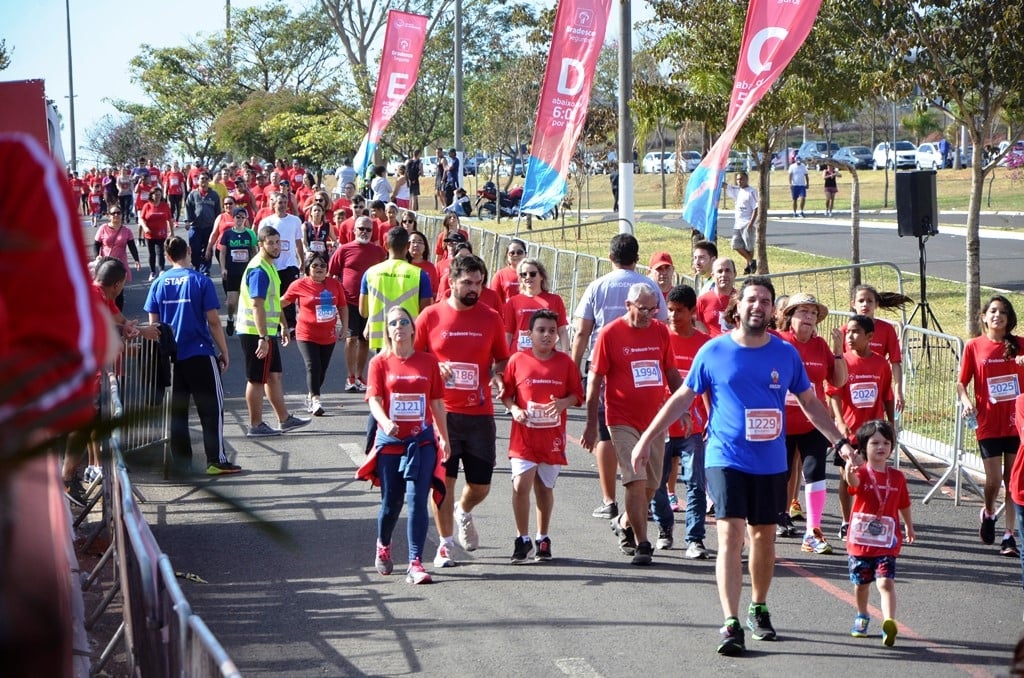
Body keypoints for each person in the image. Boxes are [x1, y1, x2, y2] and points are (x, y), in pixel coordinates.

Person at [631, 276, 855, 656]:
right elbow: (682, 397)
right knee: (731, 535)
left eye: (765, 301)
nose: (758, 306)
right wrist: (647, 438)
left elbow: (811, 402)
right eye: (752, 299)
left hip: (770, 461)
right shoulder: (714, 351)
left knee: (763, 537)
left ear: (772, 311)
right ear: (739, 306)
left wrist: (841, 442)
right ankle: (730, 621)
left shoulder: (785, 356)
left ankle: (759, 606)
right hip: (724, 456)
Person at [414, 254, 510, 568]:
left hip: (479, 413)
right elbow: (412, 360)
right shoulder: (430, 317)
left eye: (479, 283)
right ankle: (445, 544)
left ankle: (464, 511)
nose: (474, 289)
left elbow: (501, 360)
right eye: (467, 282)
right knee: (444, 481)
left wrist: (497, 376)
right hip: (441, 414)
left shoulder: (491, 317)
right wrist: (434, 367)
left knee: (481, 484)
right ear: (452, 281)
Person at [581, 283, 682, 566]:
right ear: (628, 305)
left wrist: (684, 407)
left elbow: (671, 372)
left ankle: (624, 521)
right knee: (635, 481)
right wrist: (591, 423)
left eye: (654, 309)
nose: (650, 314)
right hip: (621, 419)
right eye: (644, 309)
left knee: (651, 485)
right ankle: (643, 543)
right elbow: (595, 379)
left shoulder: (661, 332)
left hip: (654, 421)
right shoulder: (610, 333)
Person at [571, 233, 667, 521]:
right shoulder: (649, 286)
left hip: (603, 362)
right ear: (637, 259)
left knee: (605, 431)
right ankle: (634, 498)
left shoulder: (598, 285)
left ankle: (609, 499)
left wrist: (573, 370)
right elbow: (660, 325)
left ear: (610, 257)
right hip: (641, 364)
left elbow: (582, 331)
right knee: (638, 429)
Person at [361, 306, 450, 584]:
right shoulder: (380, 362)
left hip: (421, 442)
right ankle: (383, 545)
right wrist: (385, 422)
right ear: (387, 331)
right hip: (391, 444)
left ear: (413, 328)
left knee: (417, 502)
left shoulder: (428, 362)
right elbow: (374, 400)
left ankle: (415, 563)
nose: (398, 326)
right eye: (392, 323)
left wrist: (444, 436)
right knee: (391, 504)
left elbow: (436, 402)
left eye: (403, 322)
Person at [144, 236, 239, 475]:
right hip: (199, 353)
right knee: (211, 408)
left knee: (177, 412)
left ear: (167, 256)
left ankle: (182, 464)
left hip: (172, 358)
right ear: (188, 250)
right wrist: (224, 351)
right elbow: (214, 322)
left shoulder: (159, 283)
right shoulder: (200, 281)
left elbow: (153, 326)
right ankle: (215, 460)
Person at [501, 309, 584, 562]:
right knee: (520, 485)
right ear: (529, 334)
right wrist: (514, 409)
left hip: (552, 437)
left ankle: (543, 537)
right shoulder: (517, 360)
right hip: (524, 437)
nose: (547, 336)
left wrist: (562, 404)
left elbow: (577, 396)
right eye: (541, 330)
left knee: (544, 488)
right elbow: (506, 395)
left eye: (551, 331)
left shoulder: (565, 363)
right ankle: (521, 538)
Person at [774, 293, 848, 554]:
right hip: (779, 424)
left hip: (812, 423)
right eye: (803, 312)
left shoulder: (820, 346)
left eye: (813, 313)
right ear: (790, 316)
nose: (808, 317)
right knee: (777, 476)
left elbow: (838, 381)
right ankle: (770, 521)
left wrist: (839, 354)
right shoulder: (777, 342)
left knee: (815, 473)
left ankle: (813, 532)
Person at [957, 295, 1024, 557]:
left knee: (1012, 480)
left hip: (1016, 423)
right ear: (984, 317)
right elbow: (962, 382)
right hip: (988, 421)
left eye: (1003, 312)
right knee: (994, 480)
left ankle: (1008, 536)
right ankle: (987, 511)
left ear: (1009, 319)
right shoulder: (974, 346)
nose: (998, 316)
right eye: (993, 311)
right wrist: (965, 402)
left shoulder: (1020, 345)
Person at [648, 284, 710, 559]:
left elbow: (710, 387)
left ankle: (695, 539)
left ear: (693, 312)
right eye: (669, 310)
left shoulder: (704, 345)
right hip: (661, 426)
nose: (672, 316)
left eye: (679, 311)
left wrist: (710, 419)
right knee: (655, 484)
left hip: (692, 428)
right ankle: (664, 529)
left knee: (695, 483)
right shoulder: (659, 338)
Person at [842, 420, 915, 646]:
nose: (881, 447)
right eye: (874, 443)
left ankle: (889, 622)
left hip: (887, 542)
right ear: (864, 447)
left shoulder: (898, 477)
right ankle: (862, 615)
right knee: (862, 584)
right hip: (861, 543)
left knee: (885, 582)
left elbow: (904, 503)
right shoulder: (862, 473)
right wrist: (848, 468)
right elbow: (852, 483)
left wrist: (909, 526)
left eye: (886, 442)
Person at [236, 225, 311, 437]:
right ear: (260, 245)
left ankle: (284, 419)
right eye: (271, 242)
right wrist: (262, 337)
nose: (276, 246)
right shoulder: (259, 268)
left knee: (274, 375)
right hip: (255, 333)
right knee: (257, 379)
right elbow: (257, 305)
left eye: (278, 242)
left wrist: (284, 326)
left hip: (266, 331)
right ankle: (255, 424)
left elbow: (273, 302)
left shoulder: (270, 266)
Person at [828, 314, 895, 539]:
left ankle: (870, 518)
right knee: (846, 476)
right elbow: (834, 395)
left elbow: (887, 395)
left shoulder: (880, 363)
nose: (850, 336)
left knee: (872, 478)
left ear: (870, 337)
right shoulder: (842, 361)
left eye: (856, 332)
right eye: (848, 332)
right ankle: (847, 520)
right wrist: (839, 420)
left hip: (872, 433)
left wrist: (890, 425)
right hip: (848, 432)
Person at [282, 252, 347, 417]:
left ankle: (311, 395)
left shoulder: (334, 284)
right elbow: (282, 302)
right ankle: (316, 400)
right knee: (313, 366)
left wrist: (345, 327)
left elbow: (343, 306)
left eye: (323, 265)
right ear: (308, 268)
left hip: (328, 335)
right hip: (306, 334)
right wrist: (268, 310)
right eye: (315, 265)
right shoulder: (299, 284)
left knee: (322, 370)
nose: (319, 268)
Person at [328, 216, 386, 391]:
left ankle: (360, 375)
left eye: (368, 230)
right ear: (354, 230)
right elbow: (332, 275)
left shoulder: (378, 252)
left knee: (365, 340)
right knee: (351, 338)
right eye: (361, 228)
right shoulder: (344, 250)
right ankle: (350, 376)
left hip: (371, 302)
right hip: (349, 301)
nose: (365, 232)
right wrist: (333, 299)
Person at [360, 227, 433, 354]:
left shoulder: (370, 273)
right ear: (408, 246)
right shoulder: (420, 275)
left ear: (386, 245)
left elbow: (363, 312)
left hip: (381, 339)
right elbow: (425, 312)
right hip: (408, 339)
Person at [258, 191, 306, 335]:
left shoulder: (295, 221)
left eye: (285, 203)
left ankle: (290, 325)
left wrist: (302, 261)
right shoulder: (266, 222)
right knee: (274, 295)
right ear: (274, 204)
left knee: (289, 295)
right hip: (273, 265)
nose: (283, 205)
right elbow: (260, 243)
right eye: (280, 203)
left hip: (290, 264)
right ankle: (276, 325)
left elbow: (298, 242)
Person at [503, 258, 569, 353]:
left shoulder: (555, 300)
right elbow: (508, 334)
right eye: (524, 274)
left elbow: (562, 330)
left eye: (532, 274)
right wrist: (504, 359)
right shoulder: (513, 301)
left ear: (541, 276)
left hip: (546, 355)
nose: (528, 277)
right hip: (519, 355)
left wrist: (565, 354)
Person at [218, 207, 258, 336]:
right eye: (238, 217)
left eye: (243, 217)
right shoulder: (227, 234)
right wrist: (223, 268)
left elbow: (254, 251)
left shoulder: (250, 233)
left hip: (246, 272)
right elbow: (223, 253)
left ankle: (246, 323)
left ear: (246, 219)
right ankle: (230, 318)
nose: (240, 220)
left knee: (249, 300)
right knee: (231, 302)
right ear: (233, 218)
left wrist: (255, 267)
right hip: (232, 272)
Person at [93, 207, 141, 310]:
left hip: (120, 264)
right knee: (104, 290)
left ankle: (119, 317)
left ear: (121, 214)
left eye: (118, 213)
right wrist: (96, 256)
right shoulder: (103, 228)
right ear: (109, 215)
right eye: (113, 213)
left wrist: (137, 260)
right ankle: (106, 315)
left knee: (118, 292)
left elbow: (132, 246)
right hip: (105, 265)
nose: (116, 215)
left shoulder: (126, 231)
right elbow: (96, 244)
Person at [185, 173, 222, 272]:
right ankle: (197, 267)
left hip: (209, 227)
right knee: (195, 250)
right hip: (195, 227)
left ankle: (205, 269)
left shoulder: (214, 195)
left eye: (206, 179)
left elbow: (218, 211)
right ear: (198, 181)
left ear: (208, 181)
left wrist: (218, 225)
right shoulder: (193, 194)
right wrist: (187, 221)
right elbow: (188, 208)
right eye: (202, 179)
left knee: (208, 249)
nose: (204, 181)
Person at [724, 172, 758, 274]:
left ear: (747, 179)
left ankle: (749, 267)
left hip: (747, 223)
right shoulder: (737, 190)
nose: (739, 181)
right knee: (735, 245)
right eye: (738, 179)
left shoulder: (751, 192)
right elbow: (725, 186)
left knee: (749, 247)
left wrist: (751, 223)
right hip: (738, 224)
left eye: (742, 179)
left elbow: (756, 208)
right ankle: (751, 261)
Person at [695, 257, 737, 337]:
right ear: (713, 275)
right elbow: (697, 323)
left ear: (734, 274)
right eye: (720, 271)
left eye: (727, 270)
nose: (723, 274)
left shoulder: (742, 299)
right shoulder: (702, 300)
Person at [139, 186, 172, 281]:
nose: (157, 196)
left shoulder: (165, 206)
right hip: (150, 234)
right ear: (151, 196)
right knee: (151, 254)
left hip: (161, 233)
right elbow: (141, 219)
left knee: (160, 252)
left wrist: (172, 232)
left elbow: (169, 219)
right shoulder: (147, 206)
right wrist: (145, 227)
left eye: (159, 194)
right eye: (155, 195)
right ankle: (152, 272)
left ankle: (161, 270)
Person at [490, 239, 527, 304]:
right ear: (507, 255)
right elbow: (494, 300)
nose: (516, 255)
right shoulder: (500, 275)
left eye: (519, 252)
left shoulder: (533, 274)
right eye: (512, 253)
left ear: (525, 254)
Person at [407, 230, 439, 295]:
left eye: (420, 242)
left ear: (425, 247)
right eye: (413, 242)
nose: (416, 245)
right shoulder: (403, 265)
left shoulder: (430, 267)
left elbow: (435, 292)